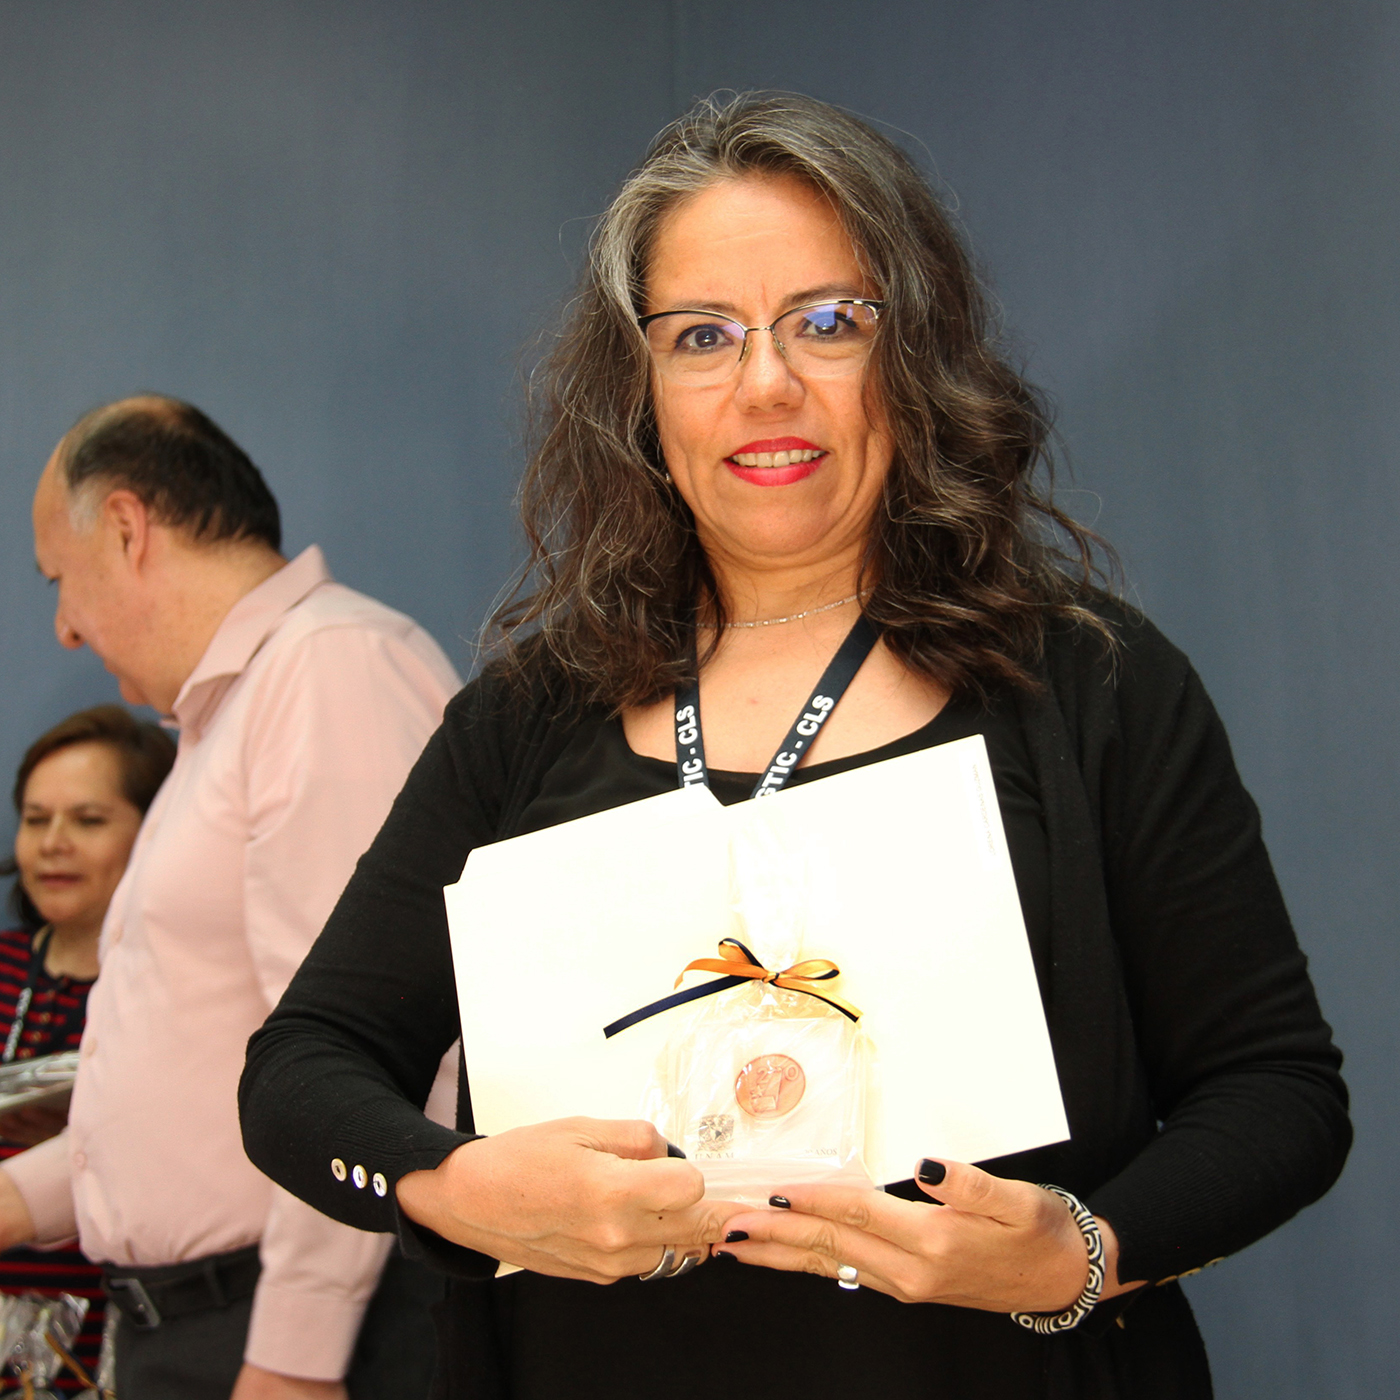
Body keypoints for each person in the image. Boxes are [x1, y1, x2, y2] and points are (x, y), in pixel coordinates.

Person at [239, 93, 1351, 1399]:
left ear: (914, 355)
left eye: (828, 322)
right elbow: (299, 1072)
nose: (765, 382)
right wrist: (449, 1185)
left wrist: (1085, 1253)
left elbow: (1276, 1092)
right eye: (702, 335)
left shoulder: (1089, 684)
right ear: (639, 390)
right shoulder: (525, 713)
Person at [0, 396, 462, 1400]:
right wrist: (19, 1195)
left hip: (284, 1332)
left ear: (127, 528)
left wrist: (296, 1352)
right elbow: (194, 1074)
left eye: (58, 579)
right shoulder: (225, 717)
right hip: (196, 1327)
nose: (65, 627)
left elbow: (370, 1049)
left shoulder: (328, 669)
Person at [0, 705, 174, 1392]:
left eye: (88, 820)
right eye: (36, 819)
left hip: (125, 1351)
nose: (54, 844)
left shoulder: (172, 996)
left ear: (153, 832)